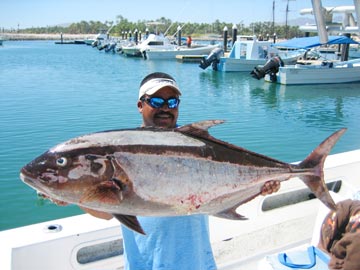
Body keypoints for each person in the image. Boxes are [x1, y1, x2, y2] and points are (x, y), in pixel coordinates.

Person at [46, 72, 280, 269]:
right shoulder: (122, 149)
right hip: (144, 263)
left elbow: (228, 183)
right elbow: (107, 212)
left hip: (196, 263)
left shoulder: (195, 145)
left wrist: (261, 185)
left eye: (172, 102)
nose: (165, 108)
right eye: (156, 102)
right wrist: (75, 194)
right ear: (140, 105)